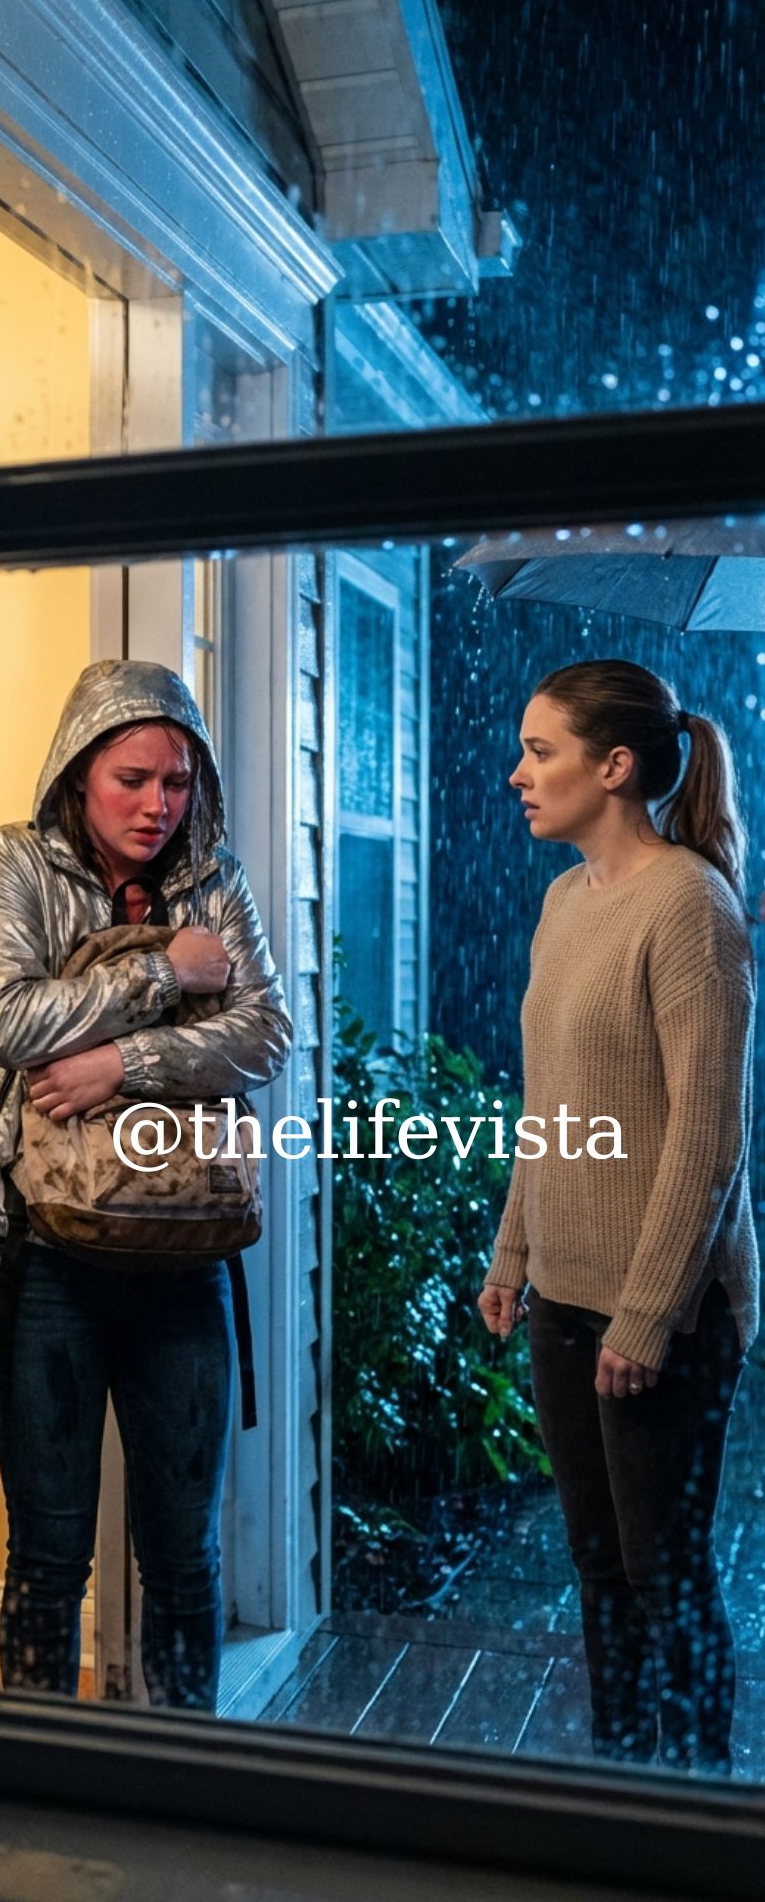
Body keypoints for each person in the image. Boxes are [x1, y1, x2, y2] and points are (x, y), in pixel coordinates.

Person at [0, 658, 292, 1709]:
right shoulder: (13, 864)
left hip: (185, 1254)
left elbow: (267, 1033)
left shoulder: (216, 881)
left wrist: (120, 1064)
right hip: (38, 1257)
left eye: (178, 782)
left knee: (185, 1556)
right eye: (132, 779)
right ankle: (43, 1776)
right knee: (50, 1552)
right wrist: (168, 973)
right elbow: (10, 1020)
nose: (158, 806)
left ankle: (180, 1771)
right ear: (78, 772)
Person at [478, 658, 758, 1776]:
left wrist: (645, 1318)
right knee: (599, 1570)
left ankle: (697, 1813)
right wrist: (513, 1253)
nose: (518, 775)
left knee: (664, 1573)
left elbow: (709, 1138)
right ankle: (618, 1798)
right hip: (564, 1298)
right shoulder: (564, 902)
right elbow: (549, 1104)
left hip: (668, 1316)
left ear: (616, 766)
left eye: (539, 752)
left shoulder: (691, 906)